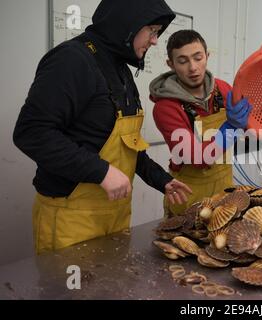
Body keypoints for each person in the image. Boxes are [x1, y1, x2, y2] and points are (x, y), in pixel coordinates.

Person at [13, 0, 192, 254]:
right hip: (72, 219)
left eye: (157, 33)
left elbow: (128, 147)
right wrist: (101, 171)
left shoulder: (120, 69)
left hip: (114, 218)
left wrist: (162, 181)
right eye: (151, 30)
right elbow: (31, 132)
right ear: (128, 23)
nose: (154, 41)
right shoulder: (72, 60)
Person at [151, 30, 252, 216]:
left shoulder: (222, 89)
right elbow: (198, 158)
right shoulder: (166, 108)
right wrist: (230, 128)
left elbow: (248, 129)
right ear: (171, 64)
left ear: (207, 56)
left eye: (198, 58)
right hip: (189, 196)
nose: (193, 67)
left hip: (225, 192)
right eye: (182, 61)